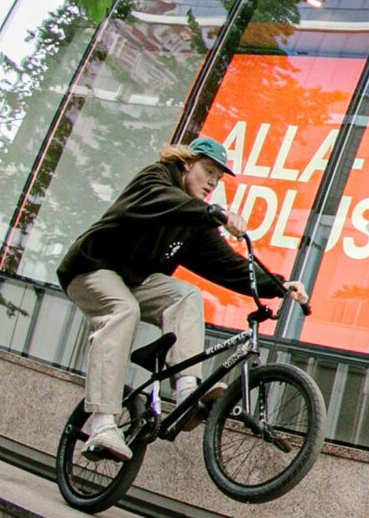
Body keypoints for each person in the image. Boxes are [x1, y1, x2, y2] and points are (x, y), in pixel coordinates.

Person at [58, 138, 308, 461]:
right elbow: (162, 200)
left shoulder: (194, 223)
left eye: (217, 179)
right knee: (124, 310)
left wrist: (279, 285)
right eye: (208, 172)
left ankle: (187, 390)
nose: (212, 183)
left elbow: (228, 265)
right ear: (187, 164)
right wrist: (214, 213)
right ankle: (103, 423)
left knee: (186, 295)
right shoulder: (156, 178)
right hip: (90, 268)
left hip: (134, 281)